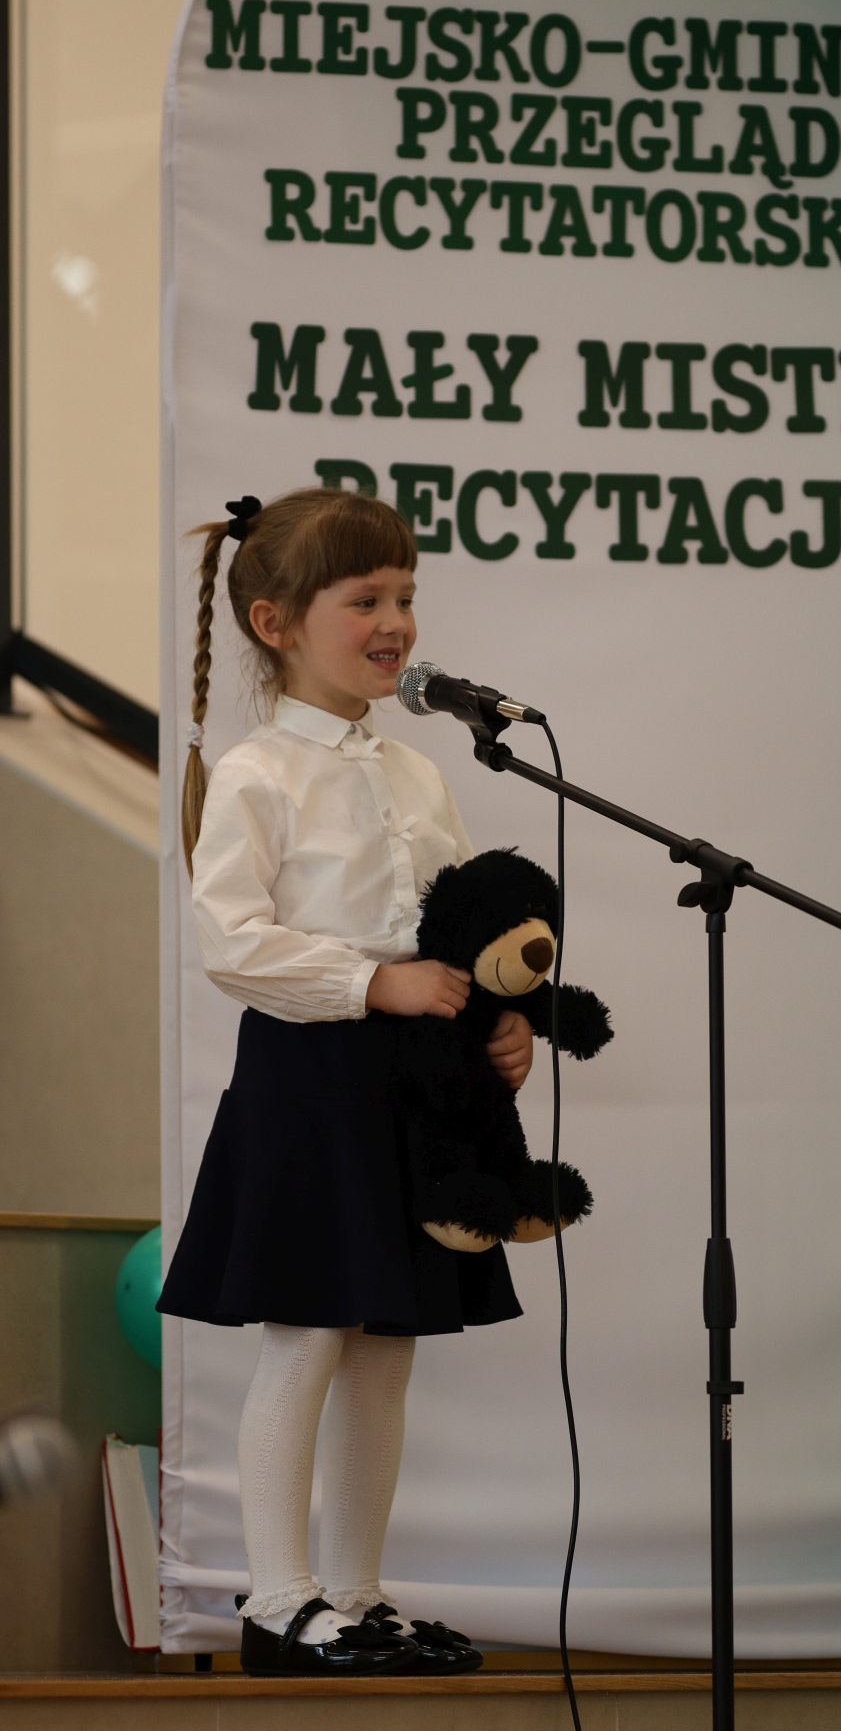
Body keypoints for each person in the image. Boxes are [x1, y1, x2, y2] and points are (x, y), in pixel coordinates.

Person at [157, 488, 535, 1677]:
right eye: (366, 599)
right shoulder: (258, 772)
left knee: (388, 1343)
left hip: (416, 1084)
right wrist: (372, 984)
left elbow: (461, 925)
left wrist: (502, 1021)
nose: (396, 622)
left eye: (406, 597)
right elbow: (231, 941)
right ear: (274, 621)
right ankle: (279, 1601)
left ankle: (356, 1595)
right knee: (311, 1331)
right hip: (310, 1076)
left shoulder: (417, 772)